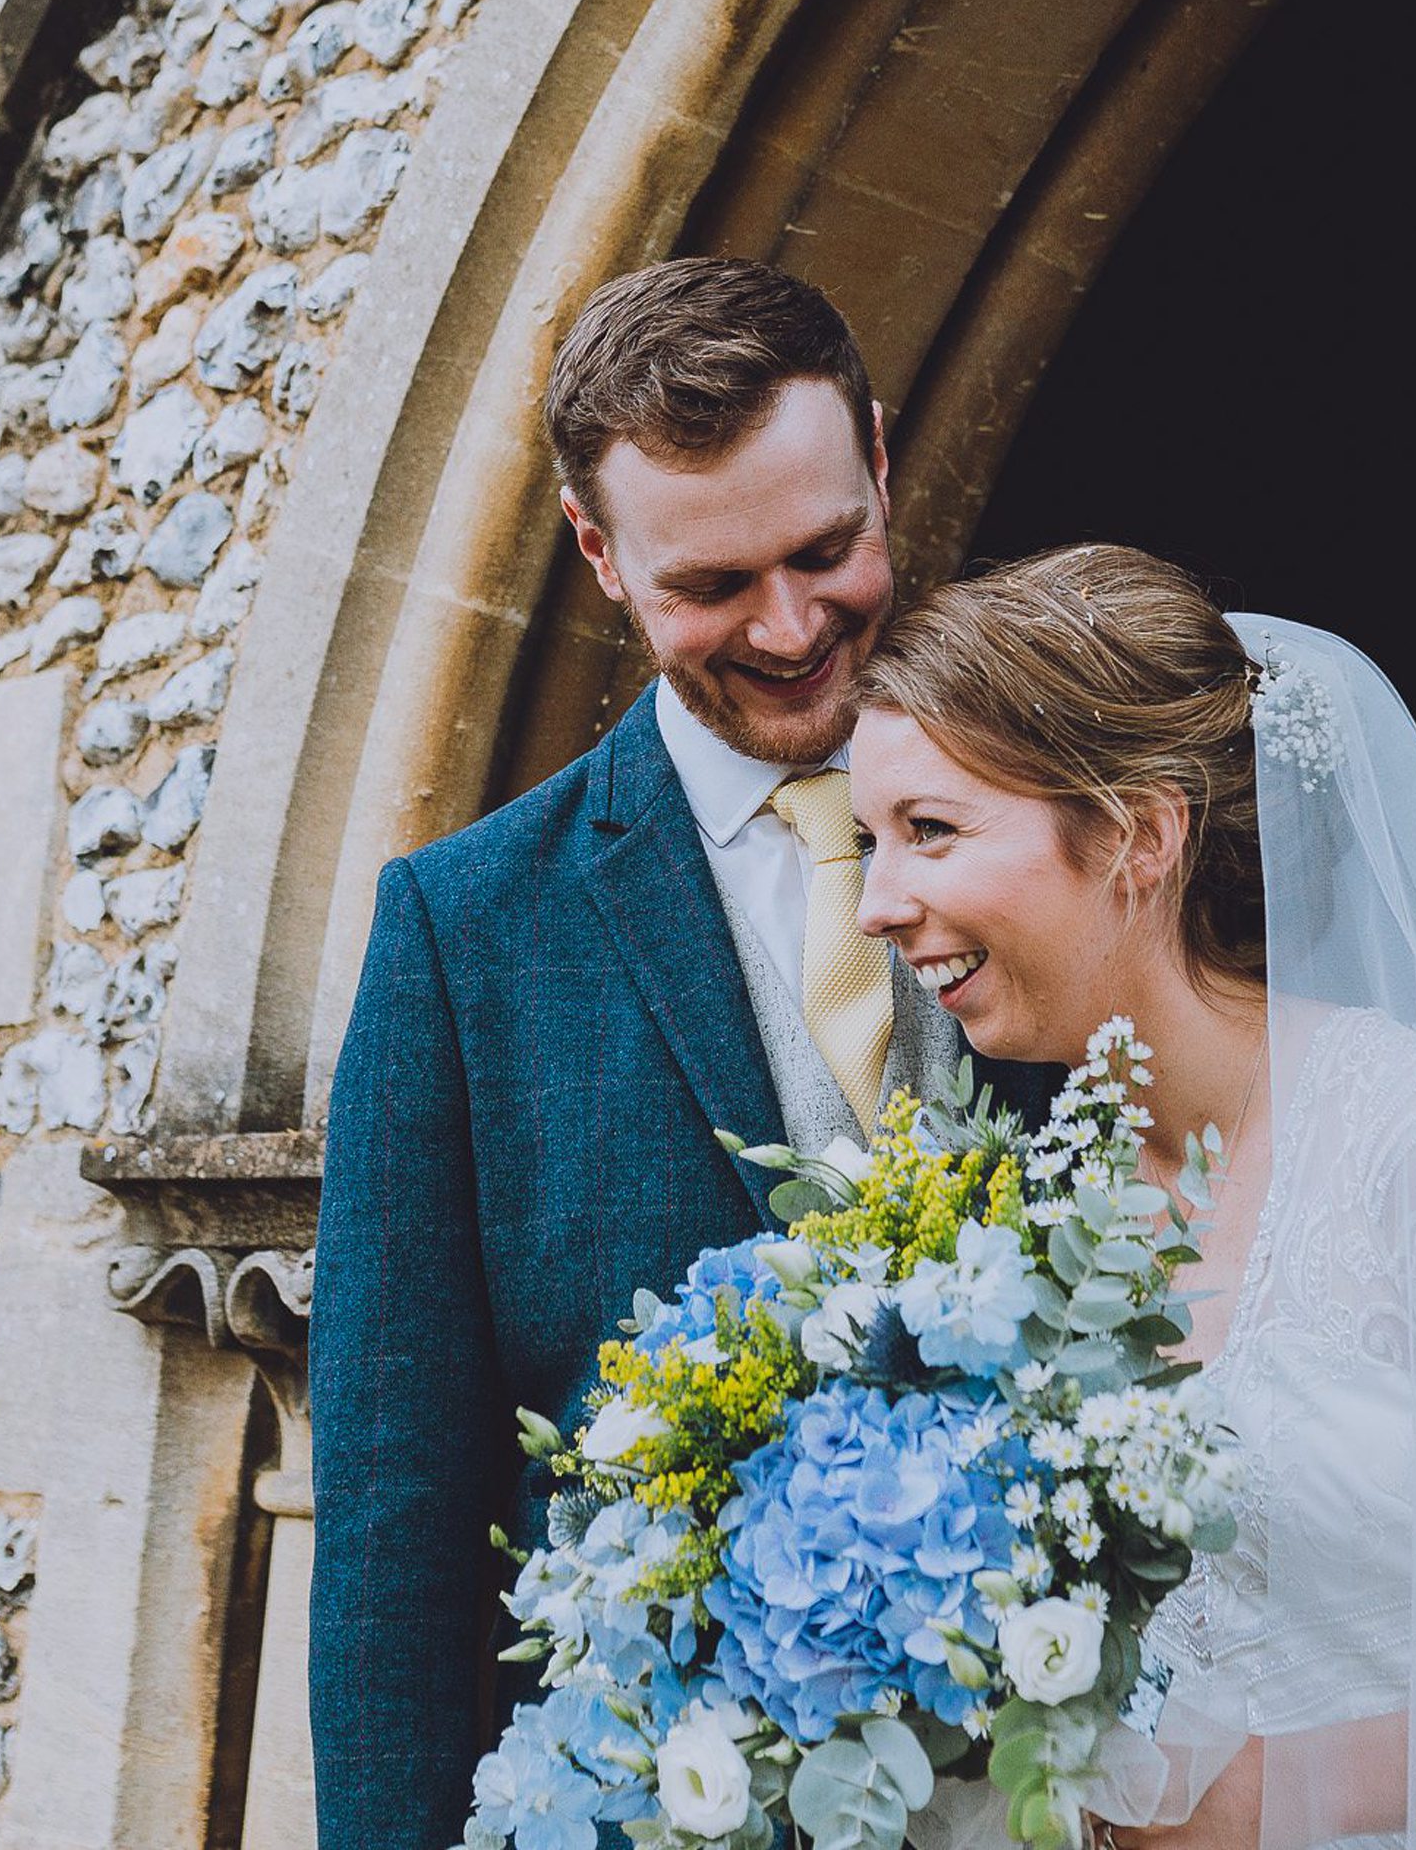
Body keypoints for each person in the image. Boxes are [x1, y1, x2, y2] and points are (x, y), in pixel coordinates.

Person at [849, 544, 1416, 1848]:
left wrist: (1260, 1801)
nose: (881, 903)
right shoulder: (1036, 1224)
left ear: (1139, 835)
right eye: (868, 842)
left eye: (931, 831)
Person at [308, 259, 1052, 1850]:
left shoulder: (1073, 811)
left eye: (828, 548)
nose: (793, 629)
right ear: (598, 553)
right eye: (713, 584)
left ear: (874, 451)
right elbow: (398, 1523)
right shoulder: (463, 932)